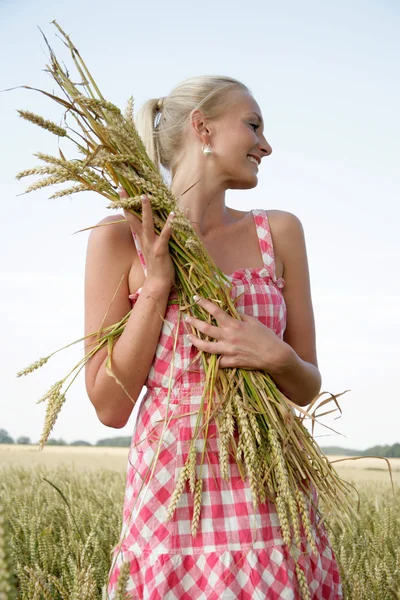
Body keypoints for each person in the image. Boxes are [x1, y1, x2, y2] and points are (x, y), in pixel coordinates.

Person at [84, 76, 342, 599]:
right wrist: (156, 288)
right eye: (253, 125)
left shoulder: (280, 233)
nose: (266, 145)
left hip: (272, 495)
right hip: (174, 505)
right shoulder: (119, 239)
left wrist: (274, 354)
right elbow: (110, 407)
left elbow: (307, 384)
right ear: (202, 127)